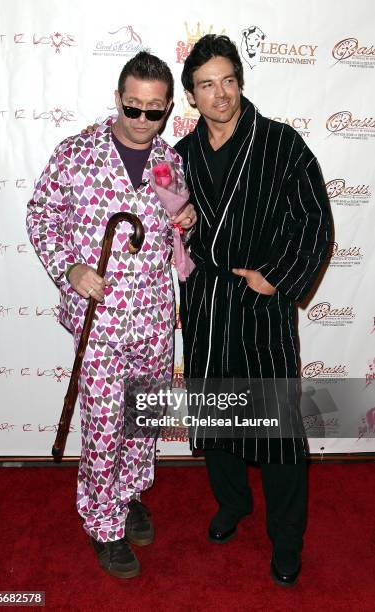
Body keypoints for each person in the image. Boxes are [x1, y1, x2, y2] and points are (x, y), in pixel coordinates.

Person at [26, 51, 196, 579]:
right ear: (117, 99)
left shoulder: (168, 161)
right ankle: (103, 524)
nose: (142, 121)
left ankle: (127, 493)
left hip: (152, 313)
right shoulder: (76, 154)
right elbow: (41, 215)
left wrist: (183, 221)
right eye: (133, 107)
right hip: (99, 318)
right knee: (104, 425)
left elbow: (175, 229)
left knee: (141, 418)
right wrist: (70, 269)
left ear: (168, 109)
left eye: (154, 111)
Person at [175, 35, 331, 587]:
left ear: (240, 81)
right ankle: (233, 503)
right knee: (216, 414)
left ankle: (287, 538)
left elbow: (315, 222)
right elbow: (168, 220)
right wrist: (183, 224)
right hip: (206, 304)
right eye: (206, 85)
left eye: (227, 81)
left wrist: (278, 278)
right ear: (191, 96)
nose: (219, 95)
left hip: (259, 307)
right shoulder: (182, 157)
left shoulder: (281, 144)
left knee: (279, 431)